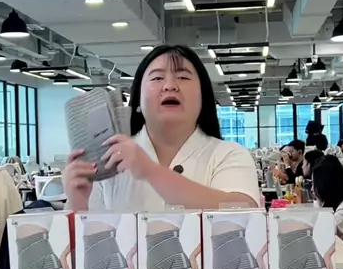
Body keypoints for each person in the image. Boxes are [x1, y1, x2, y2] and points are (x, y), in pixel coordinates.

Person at [63, 45, 260, 213]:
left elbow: (245, 211)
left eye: (183, 77)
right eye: (157, 78)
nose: (170, 86)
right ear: (138, 101)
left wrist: (151, 171)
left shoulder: (228, 154)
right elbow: (90, 240)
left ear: (203, 98)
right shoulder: (110, 158)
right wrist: (78, 204)